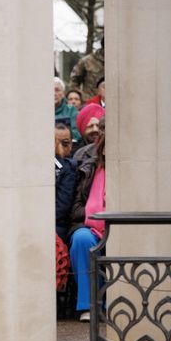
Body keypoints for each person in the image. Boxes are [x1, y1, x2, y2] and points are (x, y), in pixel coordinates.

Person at [69, 133, 106, 321]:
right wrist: (99, 211)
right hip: (90, 225)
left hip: (123, 227)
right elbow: (75, 209)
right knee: (81, 238)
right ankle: (89, 305)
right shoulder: (88, 169)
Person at [55, 123, 77, 241]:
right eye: (54, 143)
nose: (59, 148)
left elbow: (61, 209)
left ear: (71, 145)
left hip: (58, 227)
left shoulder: (69, 167)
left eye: (64, 143)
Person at [54, 77, 80, 142]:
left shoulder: (71, 110)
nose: (54, 93)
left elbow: (76, 134)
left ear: (63, 94)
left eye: (57, 90)